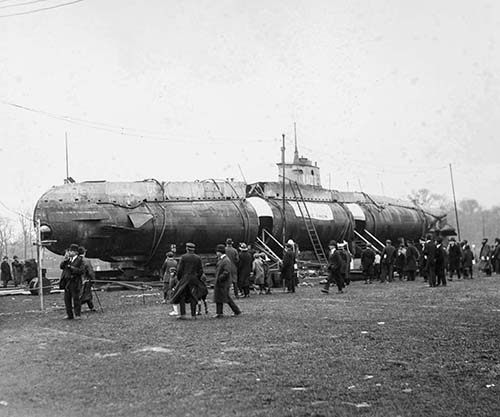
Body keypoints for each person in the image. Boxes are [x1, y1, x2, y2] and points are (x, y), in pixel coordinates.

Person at [170, 242, 204, 319]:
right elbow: (201, 270)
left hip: (185, 278)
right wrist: (196, 277)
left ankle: (183, 314)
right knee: (193, 296)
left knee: (182, 296)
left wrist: (180, 278)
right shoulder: (198, 258)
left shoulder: (184, 257)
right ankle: (193, 315)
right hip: (194, 279)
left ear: (187, 249)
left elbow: (179, 270)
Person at [213, 244, 241, 318]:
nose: (216, 253)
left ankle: (236, 311)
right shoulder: (222, 259)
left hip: (223, 282)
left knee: (226, 297)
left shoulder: (226, 260)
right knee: (219, 297)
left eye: (217, 252)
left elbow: (227, 271)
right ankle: (219, 312)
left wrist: (220, 278)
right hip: (221, 282)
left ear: (220, 252)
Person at [60, 244, 84, 320]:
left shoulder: (80, 260)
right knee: (67, 299)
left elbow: (81, 271)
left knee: (76, 299)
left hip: (75, 281)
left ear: (75, 252)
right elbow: (61, 266)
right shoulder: (68, 260)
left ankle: (77, 314)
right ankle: (69, 315)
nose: (69, 252)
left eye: (70, 251)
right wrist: (65, 260)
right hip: (67, 282)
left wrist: (72, 268)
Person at [78, 246, 96, 311]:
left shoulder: (75, 260)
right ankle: (78, 308)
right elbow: (90, 271)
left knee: (80, 294)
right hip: (85, 280)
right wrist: (93, 280)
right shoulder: (86, 261)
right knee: (85, 294)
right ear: (84, 252)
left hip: (77, 280)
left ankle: (91, 307)